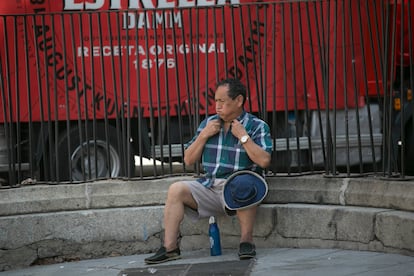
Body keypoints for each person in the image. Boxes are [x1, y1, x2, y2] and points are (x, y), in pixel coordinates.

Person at [144, 78, 273, 264]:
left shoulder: (256, 126)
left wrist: (243, 136)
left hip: (238, 188)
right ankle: (170, 248)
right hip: (210, 186)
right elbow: (188, 160)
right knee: (176, 189)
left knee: (243, 183)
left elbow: (264, 160)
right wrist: (203, 135)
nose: (217, 106)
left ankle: (246, 241)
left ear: (238, 101)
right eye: (216, 101)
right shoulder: (209, 123)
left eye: (222, 101)